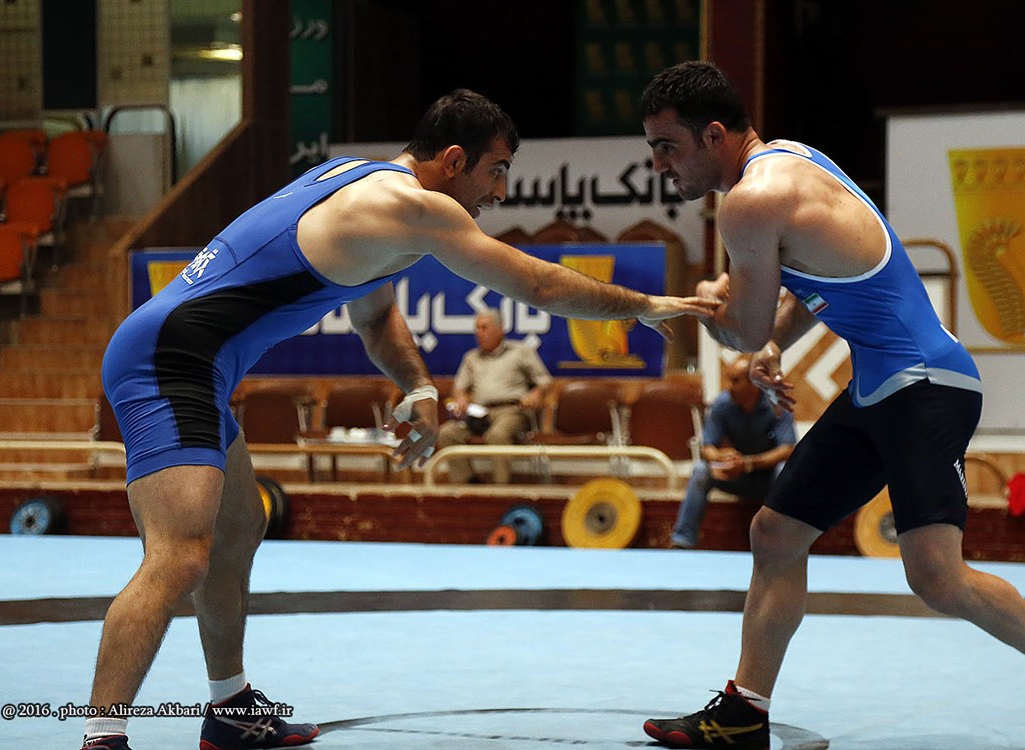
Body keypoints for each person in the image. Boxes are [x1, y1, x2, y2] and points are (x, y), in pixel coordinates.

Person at [85, 89, 716, 750]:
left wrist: (418, 387)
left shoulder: (363, 188)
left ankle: (231, 709)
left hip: (193, 364)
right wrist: (643, 304)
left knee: (239, 527)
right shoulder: (410, 207)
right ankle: (102, 737)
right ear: (453, 160)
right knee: (179, 557)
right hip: (168, 362)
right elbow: (539, 285)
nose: (501, 192)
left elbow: (376, 315)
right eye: (496, 170)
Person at [637, 61, 1025, 750]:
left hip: (926, 388)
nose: (659, 166)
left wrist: (695, 303)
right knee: (775, 534)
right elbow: (825, 281)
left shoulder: (749, 200)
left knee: (936, 577)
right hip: (883, 385)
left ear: (712, 135)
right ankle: (745, 711)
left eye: (666, 147)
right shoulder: (792, 162)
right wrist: (777, 343)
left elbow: (742, 330)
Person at [670, 354, 796, 549]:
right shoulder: (723, 404)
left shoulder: (777, 404)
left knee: (784, 471)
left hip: (767, 478)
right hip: (735, 475)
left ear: (754, 384)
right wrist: (722, 457)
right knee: (701, 471)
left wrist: (748, 463)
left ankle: (785, 544)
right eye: (728, 380)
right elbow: (707, 447)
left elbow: (787, 449)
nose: (729, 386)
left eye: (735, 381)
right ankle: (682, 541)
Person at [438, 307, 552, 483]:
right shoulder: (471, 357)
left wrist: (535, 394)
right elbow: (459, 387)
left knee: (497, 435)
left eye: (484, 328)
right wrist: (460, 397)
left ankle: (500, 490)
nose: (479, 333)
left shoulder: (521, 351)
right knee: (446, 433)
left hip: (512, 411)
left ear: (500, 330)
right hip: (479, 413)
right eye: (477, 328)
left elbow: (545, 382)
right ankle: (469, 485)